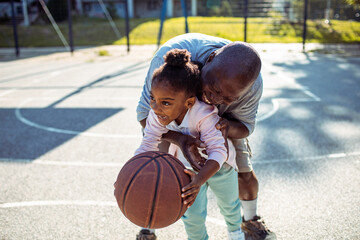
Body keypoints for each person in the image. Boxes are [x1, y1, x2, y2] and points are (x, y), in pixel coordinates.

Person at [136, 33, 276, 240]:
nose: (214, 99)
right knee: (154, 169)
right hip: (171, 119)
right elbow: (144, 116)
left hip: (222, 124)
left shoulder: (251, 86)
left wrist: (227, 127)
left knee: (243, 171)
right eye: (215, 88)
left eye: (227, 98)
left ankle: (250, 222)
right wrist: (180, 139)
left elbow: (246, 126)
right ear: (208, 61)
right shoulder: (166, 64)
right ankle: (148, 225)